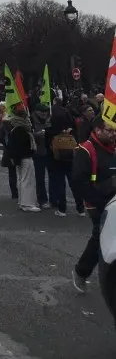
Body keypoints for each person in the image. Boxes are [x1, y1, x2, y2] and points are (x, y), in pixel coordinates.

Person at [71, 117, 116, 293]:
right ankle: (81, 272)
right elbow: (78, 182)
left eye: (114, 130)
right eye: (109, 130)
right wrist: (100, 202)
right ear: (97, 130)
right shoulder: (86, 150)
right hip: (98, 204)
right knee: (101, 237)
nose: (113, 134)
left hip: (113, 201)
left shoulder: (113, 148)